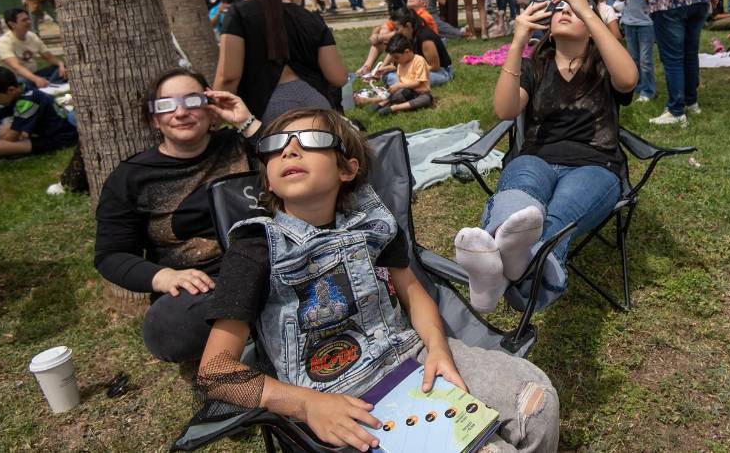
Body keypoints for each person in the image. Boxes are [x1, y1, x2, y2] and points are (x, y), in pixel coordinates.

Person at [195, 108, 559, 452]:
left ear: (347, 169)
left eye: (310, 140)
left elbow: (415, 294)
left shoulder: (375, 225)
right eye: (275, 146)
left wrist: (437, 348)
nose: (290, 150)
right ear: (269, 180)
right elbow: (214, 372)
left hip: (411, 356)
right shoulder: (255, 248)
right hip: (336, 397)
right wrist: (306, 406)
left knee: (536, 404)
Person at [454, 0, 636, 315]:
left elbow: (628, 80)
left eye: (575, 11)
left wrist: (587, 10)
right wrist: (518, 40)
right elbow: (505, 110)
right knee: (520, 194)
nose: (565, 12)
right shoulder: (536, 66)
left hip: (595, 166)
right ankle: (507, 266)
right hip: (536, 158)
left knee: (558, 213)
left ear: (592, 26)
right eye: (561, 10)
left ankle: (496, 272)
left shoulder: (604, 65)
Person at [95, 68, 261, 362]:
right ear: (153, 119)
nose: (180, 112)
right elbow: (111, 254)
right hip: (205, 284)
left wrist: (246, 122)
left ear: (211, 110)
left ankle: (248, 332)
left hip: (266, 261)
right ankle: (257, 327)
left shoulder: (240, 145)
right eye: (166, 105)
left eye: (192, 101)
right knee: (168, 330)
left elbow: (299, 159)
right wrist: (165, 277)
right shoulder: (130, 178)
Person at [216, 0, 348, 124]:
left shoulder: (240, 13)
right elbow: (337, 78)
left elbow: (228, 77)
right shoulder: (313, 19)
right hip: (318, 106)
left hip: (264, 114)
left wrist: (215, 118)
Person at [0, 65, 77, 167]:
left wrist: (0, 144)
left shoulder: (28, 102)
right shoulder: (16, 91)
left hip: (60, 138)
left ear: (11, 90)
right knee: (4, 129)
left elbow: (10, 138)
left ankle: (19, 152)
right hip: (43, 131)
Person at [611, 0, 656, 102]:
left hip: (646, 22)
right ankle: (636, 87)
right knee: (633, 58)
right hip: (629, 21)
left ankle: (648, 90)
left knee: (645, 60)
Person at [355, 35, 435, 115]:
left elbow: (418, 83)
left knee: (426, 99)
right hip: (406, 92)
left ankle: (394, 108)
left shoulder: (419, 60)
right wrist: (384, 69)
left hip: (421, 93)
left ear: (407, 52)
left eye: (396, 57)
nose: (395, 60)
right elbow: (395, 68)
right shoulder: (401, 63)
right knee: (397, 92)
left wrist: (399, 85)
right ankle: (383, 103)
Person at [0, 8, 67, 88]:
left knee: (62, 68)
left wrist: (61, 65)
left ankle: (45, 83)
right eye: (24, 20)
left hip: (33, 74)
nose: (28, 22)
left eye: (28, 19)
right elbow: (16, 67)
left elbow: (49, 57)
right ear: (12, 24)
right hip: (15, 78)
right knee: (24, 82)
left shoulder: (32, 36)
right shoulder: (3, 42)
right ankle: (48, 83)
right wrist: (36, 79)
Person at [391, 10, 453, 86]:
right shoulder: (409, 36)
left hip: (441, 72)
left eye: (397, 29)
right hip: (421, 70)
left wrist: (410, 70)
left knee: (398, 78)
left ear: (408, 25)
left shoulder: (425, 38)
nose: (395, 32)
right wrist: (388, 67)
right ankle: (401, 82)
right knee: (390, 75)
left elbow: (435, 67)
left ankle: (401, 83)